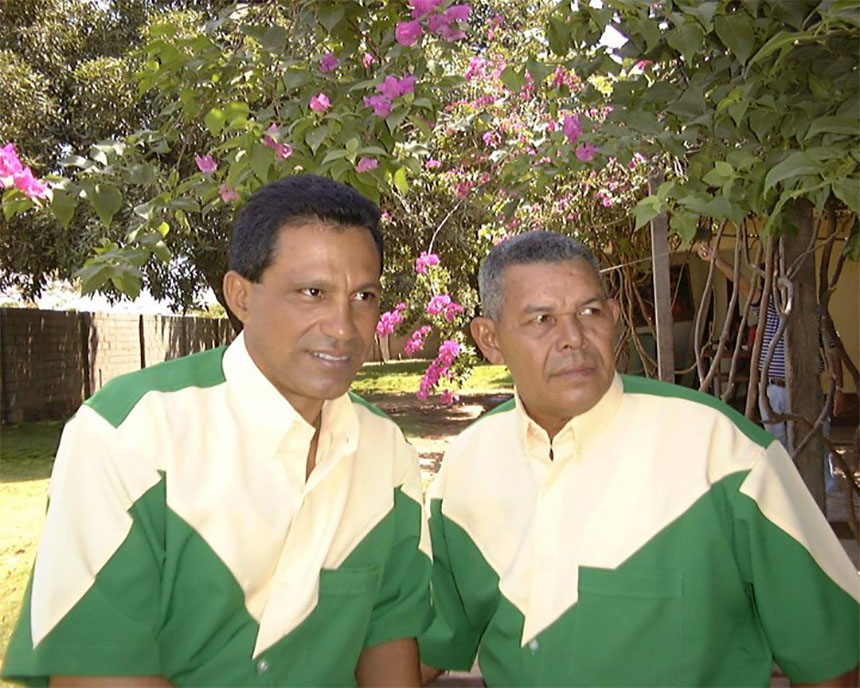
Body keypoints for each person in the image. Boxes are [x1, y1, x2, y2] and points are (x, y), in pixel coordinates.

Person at [2, 175, 432, 687]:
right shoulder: (132, 435)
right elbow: (94, 672)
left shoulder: (385, 453)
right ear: (240, 297)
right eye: (312, 292)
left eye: (363, 295)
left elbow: (388, 638)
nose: (343, 326)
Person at [418, 231, 859, 686]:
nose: (574, 338)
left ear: (614, 318)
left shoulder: (722, 453)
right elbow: (424, 645)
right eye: (542, 319)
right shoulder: (468, 466)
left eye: (590, 312)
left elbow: (829, 660)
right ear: (490, 339)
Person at [695, 242, 846, 488]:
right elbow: (743, 284)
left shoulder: (816, 313)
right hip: (773, 390)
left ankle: (821, 498)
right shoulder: (769, 307)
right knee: (777, 447)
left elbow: (833, 350)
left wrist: (838, 387)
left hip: (806, 388)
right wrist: (717, 260)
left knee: (815, 444)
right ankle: (785, 494)